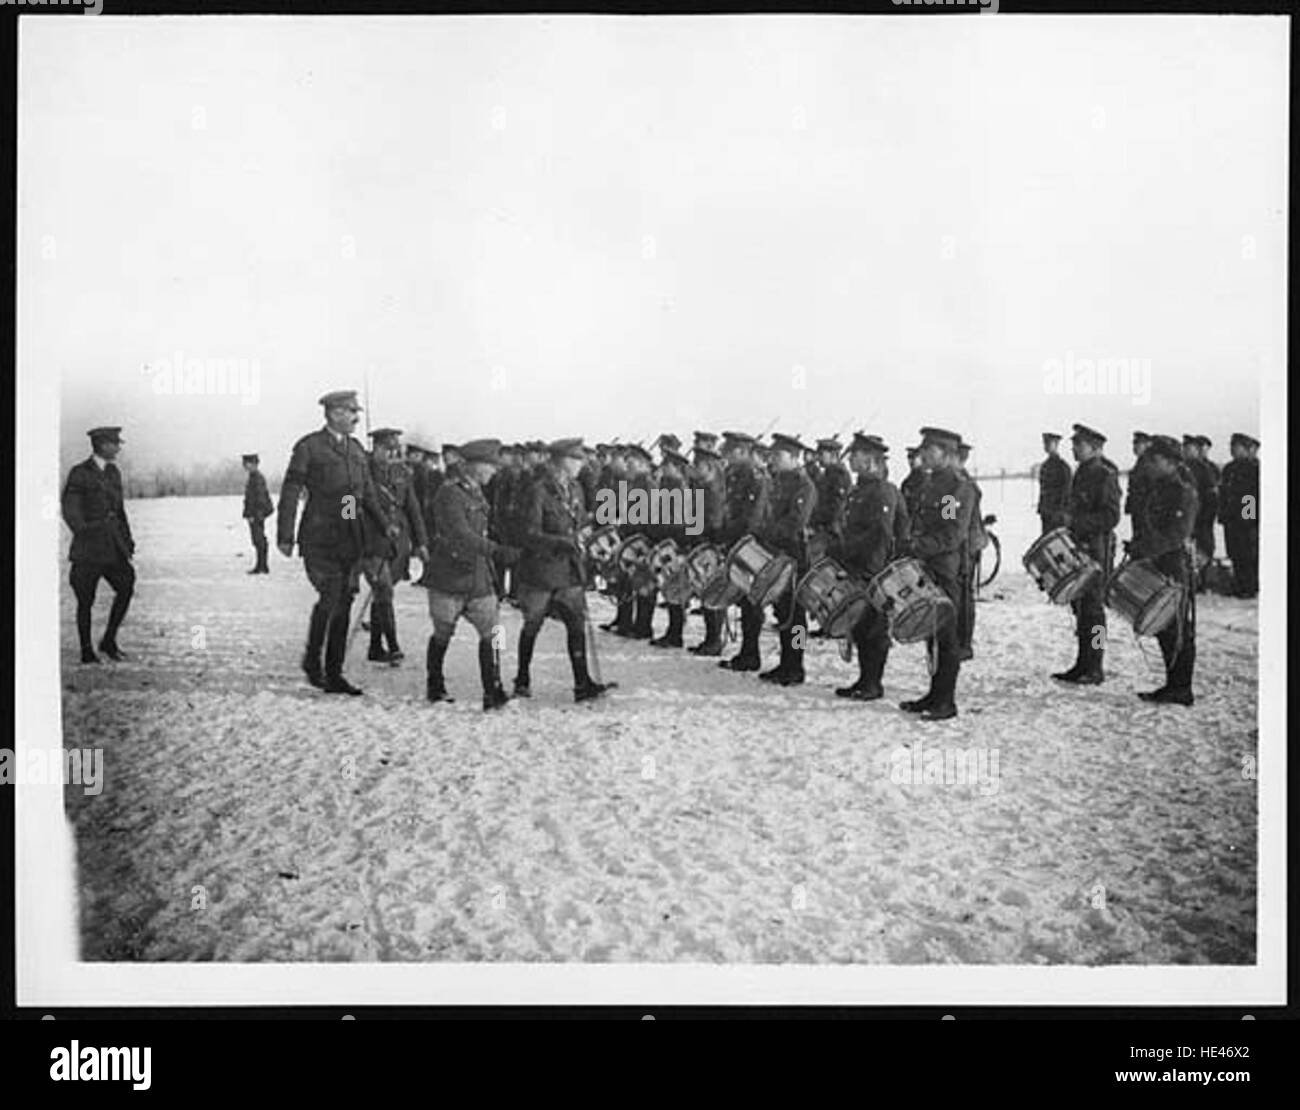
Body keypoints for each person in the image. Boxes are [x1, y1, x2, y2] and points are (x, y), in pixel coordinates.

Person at [276, 390, 392, 695]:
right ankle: (312, 662)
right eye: (351, 412)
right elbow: (291, 490)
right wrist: (285, 534)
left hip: (348, 539)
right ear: (334, 413)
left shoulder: (355, 449)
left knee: (345, 601)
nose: (356, 418)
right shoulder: (309, 447)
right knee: (331, 595)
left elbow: (361, 495)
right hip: (319, 538)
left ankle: (334, 672)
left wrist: (385, 527)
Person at [513, 438, 615, 703]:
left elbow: (578, 520)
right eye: (576, 459)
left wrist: (591, 526)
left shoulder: (576, 489)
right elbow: (528, 533)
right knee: (532, 626)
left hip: (569, 570)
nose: (582, 464)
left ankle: (582, 683)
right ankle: (522, 678)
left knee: (576, 626)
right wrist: (562, 542)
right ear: (561, 462)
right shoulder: (538, 491)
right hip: (541, 571)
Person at [423, 439, 520, 709]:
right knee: (442, 633)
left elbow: (485, 529)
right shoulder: (449, 493)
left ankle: (494, 688)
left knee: (494, 631)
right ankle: (435, 683)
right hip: (450, 577)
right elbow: (461, 534)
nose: (494, 471)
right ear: (474, 466)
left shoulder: (477, 492)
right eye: (490, 466)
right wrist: (497, 551)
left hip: (479, 576)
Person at [898, 427, 971, 721]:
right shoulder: (933, 483)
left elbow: (951, 535)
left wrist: (918, 546)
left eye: (929, 449)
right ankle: (934, 693)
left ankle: (946, 701)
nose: (923, 453)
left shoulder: (955, 487)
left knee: (947, 637)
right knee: (933, 634)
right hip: (929, 567)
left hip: (946, 570)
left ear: (946, 453)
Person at [831, 433, 909, 700]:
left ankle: (873, 683)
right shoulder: (860, 490)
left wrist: (870, 572)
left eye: (855, 455)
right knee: (862, 626)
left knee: (874, 627)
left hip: (873, 570)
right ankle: (865, 679)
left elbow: (881, 535)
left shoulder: (882, 491)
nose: (850, 459)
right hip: (856, 566)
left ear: (871, 460)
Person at [1130, 435, 1198, 705]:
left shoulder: (1182, 491)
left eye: (1155, 460)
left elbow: (1176, 534)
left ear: (1171, 463)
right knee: (1163, 626)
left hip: (1173, 565)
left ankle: (1182, 688)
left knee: (1179, 627)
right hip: (1158, 564)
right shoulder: (1159, 487)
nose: (1150, 464)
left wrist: (1145, 548)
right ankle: (1172, 684)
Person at [1051, 424, 1121, 685]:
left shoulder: (1104, 475)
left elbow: (1111, 516)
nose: (1073, 449)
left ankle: (1096, 665)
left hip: (1096, 551)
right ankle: (1083, 663)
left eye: (1078, 445)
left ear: (1095, 448)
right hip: (1079, 549)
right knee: (1080, 608)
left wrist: (1076, 523)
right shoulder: (1082, 473)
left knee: (1094, 612)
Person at [62, 426, 135, 663]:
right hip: (88, 550)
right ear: (102, 444)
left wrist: (128, 538)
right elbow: (71, 510)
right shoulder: (80, 473)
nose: (118, 447)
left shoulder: (113, 472)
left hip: (113, 547)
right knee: (86, 600)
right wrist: (86, 530)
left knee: (126, 585)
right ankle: (86, 650)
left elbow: (119, 510)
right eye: (115, 443)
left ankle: (108, 640)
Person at [363, 428, 429, 664]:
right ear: (376, 449)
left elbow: (413, 509)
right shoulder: (361, 470)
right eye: (386, 450)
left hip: (398, 542)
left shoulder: (403, 473)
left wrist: (421, 542)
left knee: (383, 592)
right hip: (370, 540)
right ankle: (393, 645)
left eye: (395, 450)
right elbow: (347, 503)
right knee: (384, 590)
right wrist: (349, 531)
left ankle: (374, 647)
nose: (391, 455)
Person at [756, 433, 817, 685]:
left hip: (796, 556)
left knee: (796, 617)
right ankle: (786, 662)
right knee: (783, 613)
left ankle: (796, 665)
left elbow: (796, 522)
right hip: (778, 555)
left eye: (778, 456)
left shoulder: (805, 486)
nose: (773, 459)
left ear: (794, 458)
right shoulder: (778, 482)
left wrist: (768, 532)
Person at [716, 431, 770, 672]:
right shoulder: (735, 475)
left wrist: (734, 539)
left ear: (741, 451)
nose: (725, 454)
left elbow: (752, 519)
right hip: (739, 546)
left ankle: (792, 662)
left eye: (729, 450)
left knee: (789, 617)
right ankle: (748, 653)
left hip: (751, 547)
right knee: (746, 605)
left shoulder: (755, 478)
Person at [687, 445, 728, 656]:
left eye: (698, 465)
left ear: (709, 467)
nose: (694, 468)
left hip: (710, 547)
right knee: (705, 594)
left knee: (713, 595)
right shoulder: (703, 488)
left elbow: (714, 522)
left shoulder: (714, 491)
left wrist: (702, 538)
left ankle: (715, 640)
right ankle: (710, 638)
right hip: (701, 545)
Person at [649, 447, 691, 649]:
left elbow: (684, 522)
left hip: (676, 545)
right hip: (667, 543)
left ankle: (676, 634)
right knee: (670, 589)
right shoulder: (667, 487)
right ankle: (673, 632)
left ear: (675, 467)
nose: (662, 468)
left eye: (666, 465)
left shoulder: (680, 489)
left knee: (675, 590)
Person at [954, 441, 986, 661]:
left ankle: (964, 644)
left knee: (964, 596)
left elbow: (956, 523)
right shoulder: (954, 483)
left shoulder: (963, 485)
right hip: (960, 544)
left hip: (966, 546)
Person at [1218, 433, 1259, 598]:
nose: (1232, 450)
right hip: (1231, 519)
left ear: (1245, 449)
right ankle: (1239, 583)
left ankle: (1248, 587)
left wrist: (1248, 519)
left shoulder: (1252, 468)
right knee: (1234, 553)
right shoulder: (1229, 468)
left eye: (1236, 447)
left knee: (1247, 554)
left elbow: (1251, 496)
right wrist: (1223, 515)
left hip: (1245, 520)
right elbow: (1224, 493)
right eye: (1232, 447)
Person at [1181, 434, 1220, 593]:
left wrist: (1247, 517)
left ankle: (1204, 581)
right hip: (1188, 518)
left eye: (1189, 448)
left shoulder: (1206, 469)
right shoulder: (1181, 468)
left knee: (1204, 549)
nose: (1185, 451)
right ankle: (1191, 581)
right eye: (1184, 448)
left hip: (1204, 518)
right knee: (1188, 551)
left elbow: (1249, 495)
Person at [809, 436, 851, 562]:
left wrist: (817, 521)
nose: (818, 458)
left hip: (831, 531)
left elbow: (836, 508)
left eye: (822, 454)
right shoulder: (827, 474)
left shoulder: (840, 475)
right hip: (821, 529)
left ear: (833, 455)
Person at [241, 452, 274, 574]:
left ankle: (262, 566)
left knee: (259, 540)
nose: (245, 466)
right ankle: (261, 565)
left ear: (254, 464)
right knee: (257, 540)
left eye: (247, 463)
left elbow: (259, 498)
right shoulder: (253, 477)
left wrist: (255, 515)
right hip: (256, 514)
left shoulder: (257, 478)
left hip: (257, 514)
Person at [1036, 432, 1072, 534]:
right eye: (1045, 443)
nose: (1046, 446)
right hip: (1046, 512)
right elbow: (1043, 489)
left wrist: (1061, 511)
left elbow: (1067, 491)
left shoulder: (1063, 467)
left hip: (1058, 513)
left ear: (1056, 445)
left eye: (1049, 443)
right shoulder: (1045, 466)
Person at [1124, 430, 1155, 545]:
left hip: (1146, 511)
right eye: (1134, 444)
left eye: (1138, 444)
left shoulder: (1149, 465)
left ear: (1147, 445)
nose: (1135, 447)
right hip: (1138, 510)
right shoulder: (1140, 464)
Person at [899, 444, 928, 519]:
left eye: (915, 457)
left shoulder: (928, 479)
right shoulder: (907, 482)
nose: (911, 461)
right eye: (909, 457)